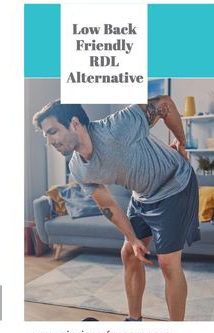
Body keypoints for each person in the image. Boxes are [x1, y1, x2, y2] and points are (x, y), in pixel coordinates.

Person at [32, 96, 200, 321]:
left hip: (175, 184)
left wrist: (181, 143)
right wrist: (132, 238)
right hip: (143, 195)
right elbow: (108, 204)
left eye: (52, 131)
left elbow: (164, 104)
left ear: (74, 123)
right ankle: (133, 320)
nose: (50, 140)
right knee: (129, 252)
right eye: (46, 135)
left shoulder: (118, 126)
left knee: (168, 262)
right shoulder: (78, 168)